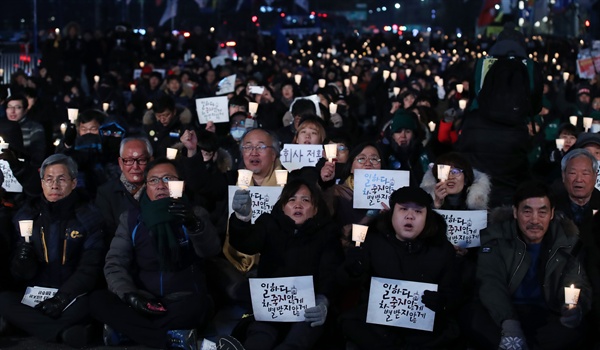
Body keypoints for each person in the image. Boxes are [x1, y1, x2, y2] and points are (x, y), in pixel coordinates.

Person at [89, 158, 220, 349]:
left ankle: (128, 333)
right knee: (97, 300)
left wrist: (194, 225)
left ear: (180, 185)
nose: (160, 185)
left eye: (168, 179)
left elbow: (210, 250)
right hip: (145, 299)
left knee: (198, 306)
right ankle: (170, 339)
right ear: (146, 187)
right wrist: (130, 295)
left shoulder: (196, 214)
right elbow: (115, 262)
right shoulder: (131, 219)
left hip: (182, 299)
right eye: (153, 180)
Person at [0, 154, 105, 348]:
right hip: (36, 293)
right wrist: (23, 259)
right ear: (41, 183)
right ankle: (63, 333)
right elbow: (19, 275)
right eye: (49, 179)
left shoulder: (89, 217)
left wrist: (61, 298)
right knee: (4, 300)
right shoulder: (27, 215)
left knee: (96, 302)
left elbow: (90, 268)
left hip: (72, 295)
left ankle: (34, 326)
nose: (54, 185)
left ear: (74, 183)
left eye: (61, 179)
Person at [470, 181, 591, 349]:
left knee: (572, 332)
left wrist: (573, 308)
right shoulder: (496, 239)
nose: (535, 220)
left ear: (551, 214)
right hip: (504, 310)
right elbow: (491, 283)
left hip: (548, 311)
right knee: (478, 323)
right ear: (515, 212)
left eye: (542, 212)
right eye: (527, 212)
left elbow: (576, 281)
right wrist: (509, 322)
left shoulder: (567, 242)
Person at [339, 186, 461, 349]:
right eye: (403, 209)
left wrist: (442, 302)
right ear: (392, 213)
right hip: (378, 329)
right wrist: (352, 270)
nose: (410, 216)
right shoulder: (373, 240)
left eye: (418, 212)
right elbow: (344, 283)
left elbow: (453, 291)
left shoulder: (442, 249)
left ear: (427, 217)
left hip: (424, 330)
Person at [229, 178, 343, 349]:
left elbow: (331, 274)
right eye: (292, 200)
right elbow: (247, 243)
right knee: (259, 339)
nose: (298, 205)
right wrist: (242, 218)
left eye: (305, 200)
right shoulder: (269, 223)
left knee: (295, 343)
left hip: (307, 312)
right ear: (282, 207)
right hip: (271, 307)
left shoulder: (327, 233)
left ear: (316, 209)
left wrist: (323, 302)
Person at [324, 141, 388, 249]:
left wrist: (388, 217)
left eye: (374, 159)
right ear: (351, 167)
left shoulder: (391, 197)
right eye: (361, 159)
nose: (368, 163)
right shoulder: (337, 192)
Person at [95, 136, 153, 241]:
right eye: (129, 160)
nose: (135, 166)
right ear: (120, 163)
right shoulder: (106, 193)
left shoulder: (160, 189)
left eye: (141, 160)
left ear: (151, 161)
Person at [420, 152, 491, 211]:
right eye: (445, 172)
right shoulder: (423, 206)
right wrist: (436, 205)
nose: (450, 177)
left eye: (456, 171)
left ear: (466, 179)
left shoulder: (480, 210)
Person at [5, 95, 47, 168]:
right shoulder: (3, 126)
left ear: (25, 110)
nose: (12, 111)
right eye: (9, 107)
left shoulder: (34, 128)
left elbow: (37, 155)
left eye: (18, 107)